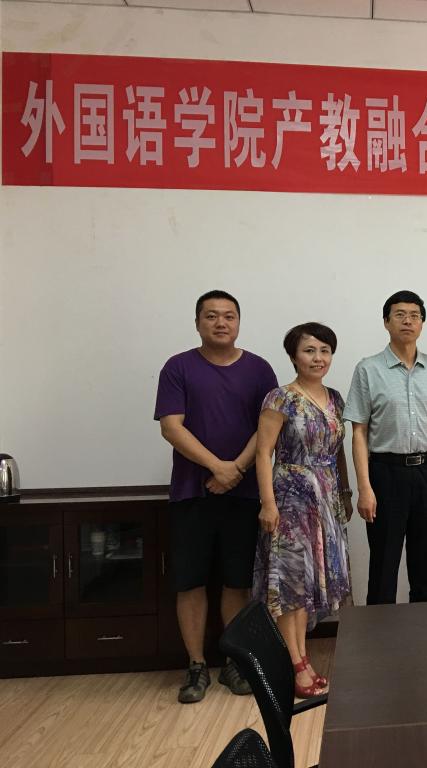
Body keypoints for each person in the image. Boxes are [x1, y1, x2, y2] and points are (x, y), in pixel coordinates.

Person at [154, 290, 278, 704]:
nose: (221, 322)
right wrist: (217, 467)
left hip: (245, 494)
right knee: (190, 582)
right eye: (211, 316)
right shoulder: (178, 367)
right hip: (192, 493)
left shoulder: (259, 369)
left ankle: (234, 662)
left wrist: (235, 469)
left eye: (229, 316)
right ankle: (195, 666)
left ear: (239, 322)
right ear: (197, 323)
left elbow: (267, 428)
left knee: (236, 581)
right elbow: (171, 427)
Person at [253, 322, 352, 698]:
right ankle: (294, 664)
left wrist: (344, 494)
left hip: (326, 501)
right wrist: (268, 503)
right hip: (290, 502)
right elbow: (263, 453)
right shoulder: (280, 398)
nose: (318, 358)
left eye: (325, 350)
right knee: (291, 584)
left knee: (309, 584)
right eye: (310, 350)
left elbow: (337, 452)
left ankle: (302, 658)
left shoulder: (336, 399)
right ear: (294, 356)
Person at [344, 290, 427, 604]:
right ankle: (380, 635)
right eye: (400, 314)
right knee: (384, 564)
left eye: (414, 315)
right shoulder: (368, 369)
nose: (408, 321)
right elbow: (358, 432)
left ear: (422, 323)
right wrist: (364, 487)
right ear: (386, 322)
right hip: (386, 474)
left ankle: (425, 631)